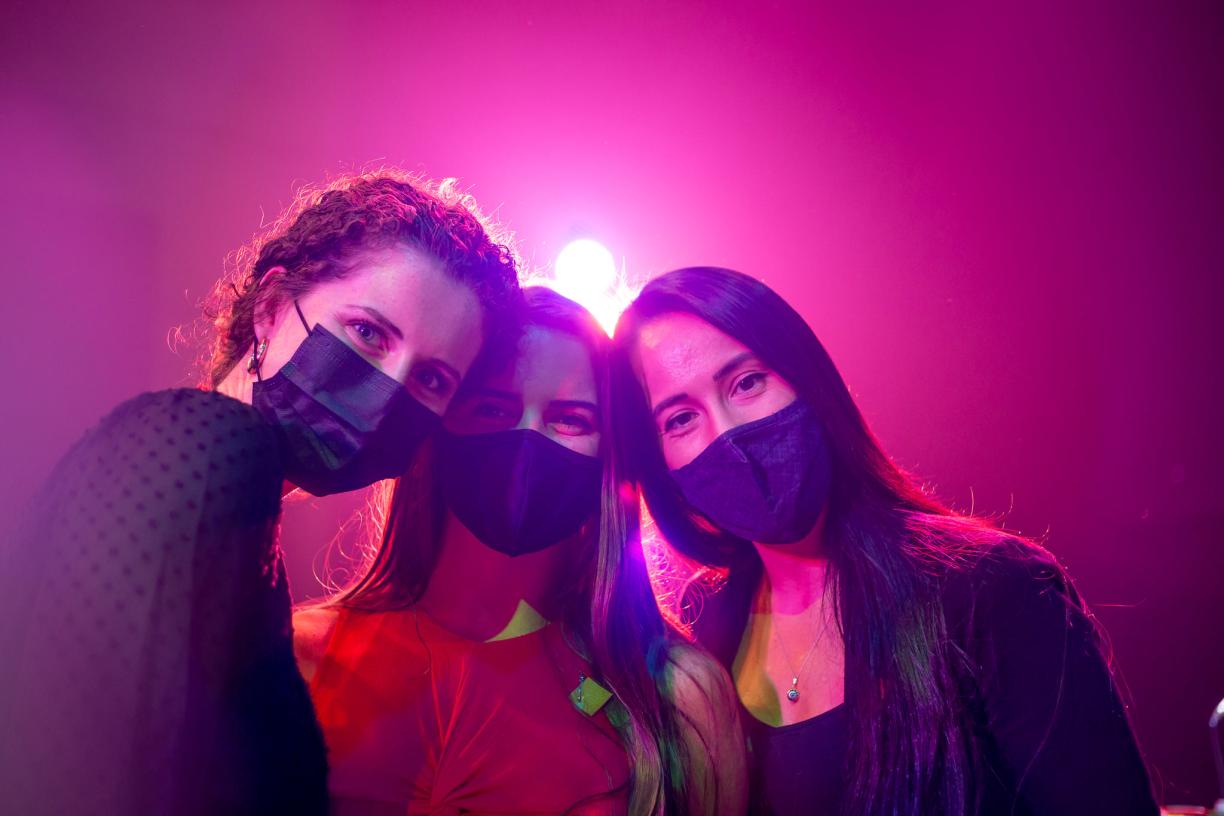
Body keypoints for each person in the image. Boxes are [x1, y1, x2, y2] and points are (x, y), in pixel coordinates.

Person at [0, 172, 519, 816]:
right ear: (272, 308)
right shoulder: (206, 439)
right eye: (367, 333)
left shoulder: (246, 528)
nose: (388, 391)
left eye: (433, 377)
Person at [609, 266, 1159, 815]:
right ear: (657, 462)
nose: (726, 433)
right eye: (681, 418)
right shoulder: (699, 631)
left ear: (808, 380)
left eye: (747, 383)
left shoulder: (994, 592)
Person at [294, 286, 746, 815]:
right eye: (492, 407)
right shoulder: (302, 653)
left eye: (571, 418)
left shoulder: (677, 699)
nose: (528, 439)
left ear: (608, 459)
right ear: (439, 423)